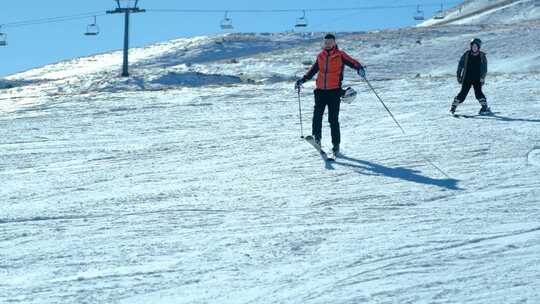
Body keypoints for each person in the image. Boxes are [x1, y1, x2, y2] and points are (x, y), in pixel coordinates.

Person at [295, 33, 365, 154]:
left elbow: (353, 62)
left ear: (334, 43)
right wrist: (302, 80)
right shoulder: (320, 56)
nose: (327, 44)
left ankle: (336, 144)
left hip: (334, 91)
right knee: (317, 116)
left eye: (329, 42)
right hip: (320, 91)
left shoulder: (340, 55)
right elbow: (312, 71)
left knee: (333, 119)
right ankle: (317, 138)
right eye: (325, 42)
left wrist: (359, 68)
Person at [451, 38, 491, 115]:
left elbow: (484, 69)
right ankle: (453, 107)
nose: (474, 48)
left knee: (479, 93)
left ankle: (484, 107)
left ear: (479, 47)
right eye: (473, 46)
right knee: (462, 94)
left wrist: (482, 78)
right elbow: (460, 66)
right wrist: (459, 76)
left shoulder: (482, 56)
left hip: (477, 79)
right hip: (467, 78)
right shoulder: (466, 55)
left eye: (476, 46)